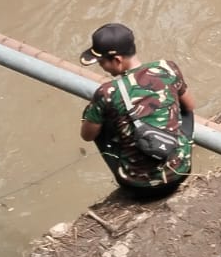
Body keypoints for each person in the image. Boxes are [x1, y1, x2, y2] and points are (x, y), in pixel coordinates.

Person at [79, 22, 196, 196]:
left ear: (117, 60)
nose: (101, 67)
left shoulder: (107, 92)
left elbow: (87, 136)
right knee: (183, 104)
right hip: (180, 173)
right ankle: (177, 152)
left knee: (93, 117)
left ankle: (131, 165)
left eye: (102, 62)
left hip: (139, 188)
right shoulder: (167, 68)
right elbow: (190, 106)